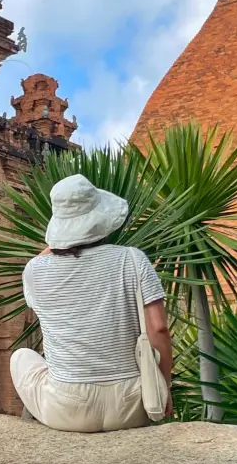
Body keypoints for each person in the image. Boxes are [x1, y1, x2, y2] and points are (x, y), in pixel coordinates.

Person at [10, 173, 173, 433]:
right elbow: (159, 329)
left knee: (20, 357)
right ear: (103, 220)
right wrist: (164, 388)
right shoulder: (133, 259)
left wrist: (60, 240)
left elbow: (47, 254)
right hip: (133, 406)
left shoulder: (34, 271)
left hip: (67, 409)